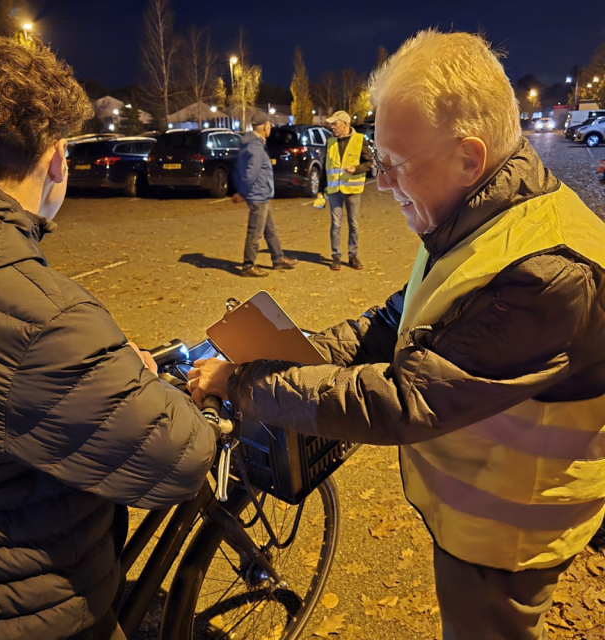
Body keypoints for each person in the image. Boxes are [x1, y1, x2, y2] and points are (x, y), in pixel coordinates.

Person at [189, 29, 605, 640]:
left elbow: (405, 399)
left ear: (469, 157)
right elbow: (391, 325)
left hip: (507, 536)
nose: (381, 182)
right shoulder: (477, 218)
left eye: (394, 164)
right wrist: (279, 351)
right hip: (478, 508)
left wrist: (249, 382)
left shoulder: (548, 271)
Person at [0, 34, 218, 640]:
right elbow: (177, 455)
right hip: (19, 609)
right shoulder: (40, 317)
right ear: (56, 160)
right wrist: (134, 378)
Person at [232, 112, 298, 277]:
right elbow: (251, 172)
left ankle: (278, 259)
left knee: (270, 230)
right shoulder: (255, 146)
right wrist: (243, 192)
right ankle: (248, 265)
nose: (271, 129)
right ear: (265, 126)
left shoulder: (254, 143)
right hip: (258, 194)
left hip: (262, 193)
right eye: (270, 126)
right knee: (255, 231)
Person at [314, 110, 373, 271]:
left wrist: (356, 169)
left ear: (345, 124)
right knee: (336, 224)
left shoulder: (359, 140)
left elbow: (369, 163)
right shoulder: (330, 141)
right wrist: (321, 190)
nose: (331, 126)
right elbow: (326, 167)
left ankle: (353, 256)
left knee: (353, 223)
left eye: (335, 124)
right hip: (334, 190)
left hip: (353, 189)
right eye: (331, 124)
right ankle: (336, 256)